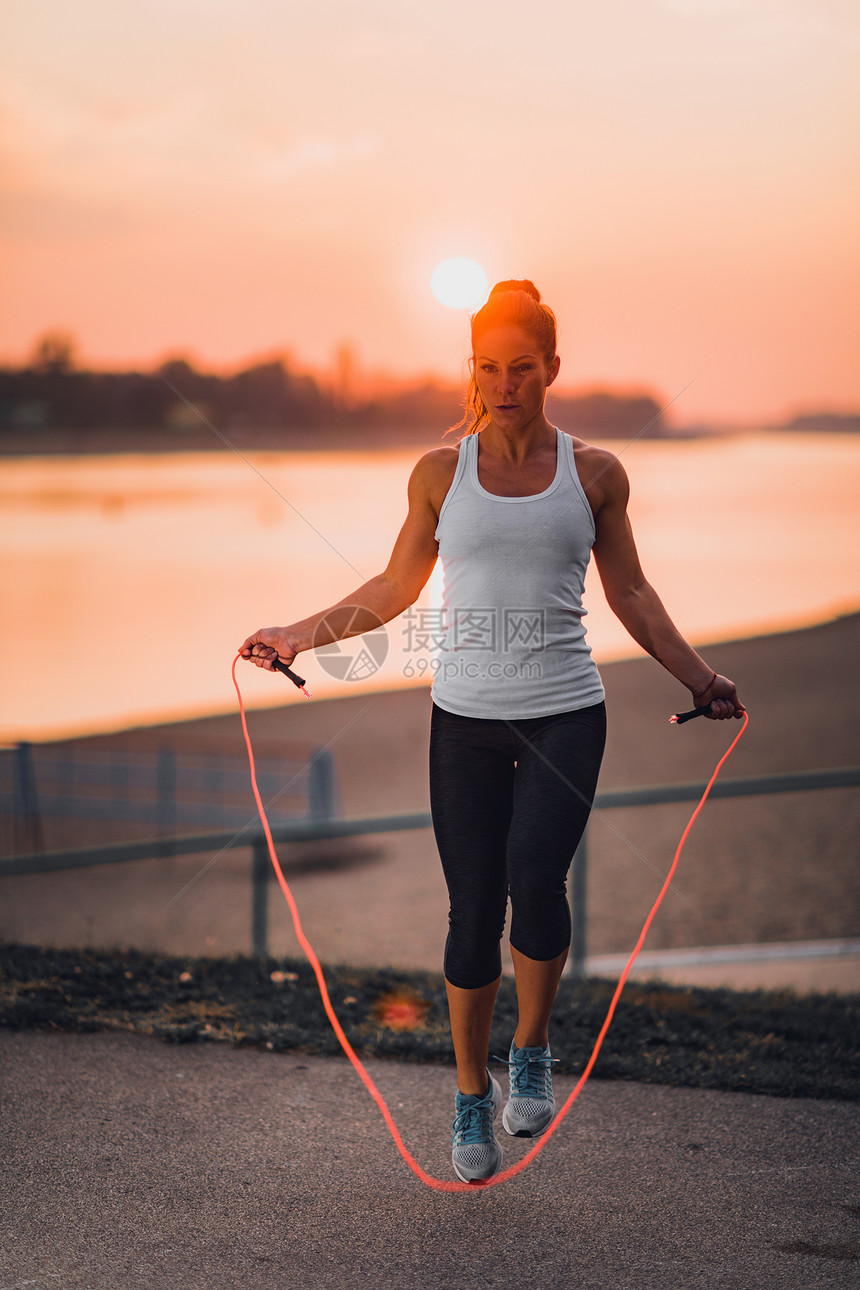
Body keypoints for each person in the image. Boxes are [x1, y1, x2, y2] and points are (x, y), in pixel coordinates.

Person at [239, 280, 745, 1183]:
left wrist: (701, 680)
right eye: (486, 367)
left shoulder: (595, 475)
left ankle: (532, 1052)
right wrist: (293, 632)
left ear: (553, 368)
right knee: (473, 913)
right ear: (469, 368)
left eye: (521, 367)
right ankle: (472, 1094)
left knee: (535, 880)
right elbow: (392, 592)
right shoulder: (442, 474)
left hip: (565, 711)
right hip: (463, 721)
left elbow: (630, 593)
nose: (503, 382)